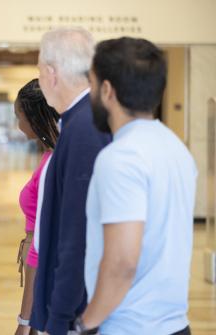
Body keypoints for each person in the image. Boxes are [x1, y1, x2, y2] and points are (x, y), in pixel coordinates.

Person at [75, 37, 197, 335]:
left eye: (91, 84)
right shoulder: (175, 148)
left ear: (107, 90)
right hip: (175, 325)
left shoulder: (120, 158)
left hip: (129, 327)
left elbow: (122, 261)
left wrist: (85, 324)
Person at [30, 27, 111, 335]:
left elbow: (77, 234)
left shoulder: (84, 129)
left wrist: (61, 317)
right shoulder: (82, 122)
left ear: (51, 73)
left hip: (75, 312)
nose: (39, 79)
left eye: (38, 70)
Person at [13, 79, 59, 335]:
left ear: (34, 116)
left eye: (19, 116)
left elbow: (37, 249)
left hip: (47, 283)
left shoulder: (54, 163)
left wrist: (25, 320)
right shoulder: (50, 156)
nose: (18, 125)